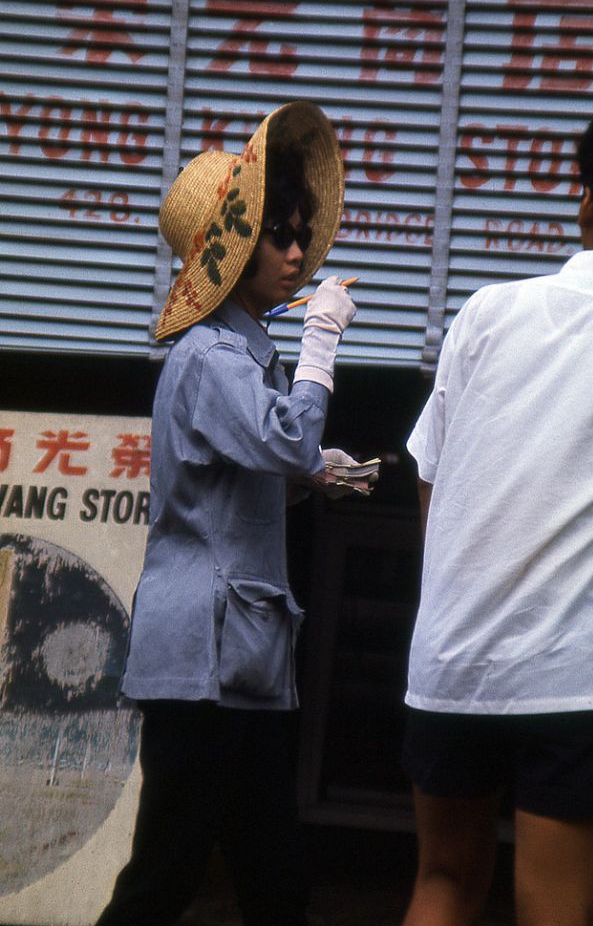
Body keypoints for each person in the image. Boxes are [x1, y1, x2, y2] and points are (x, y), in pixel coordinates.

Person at [95, 101, 357, 926]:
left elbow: (244, 479)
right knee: (167, 876)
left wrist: (311, 478)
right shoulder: (213, 356)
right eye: (277, 237)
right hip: (205, 659)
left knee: (270, 875)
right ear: (234, 252)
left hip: (232, 659)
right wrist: (322, 342)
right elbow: (287, 439)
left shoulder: (233, 354)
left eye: (298, 234)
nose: (296, 253)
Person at [401, 102, 593, 926]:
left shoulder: (487, 311)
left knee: (442, 882)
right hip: (580, 672)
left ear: (586, 201)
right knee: (556, 911)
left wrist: (458, 600)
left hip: (452, 662)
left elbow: (432, 477)